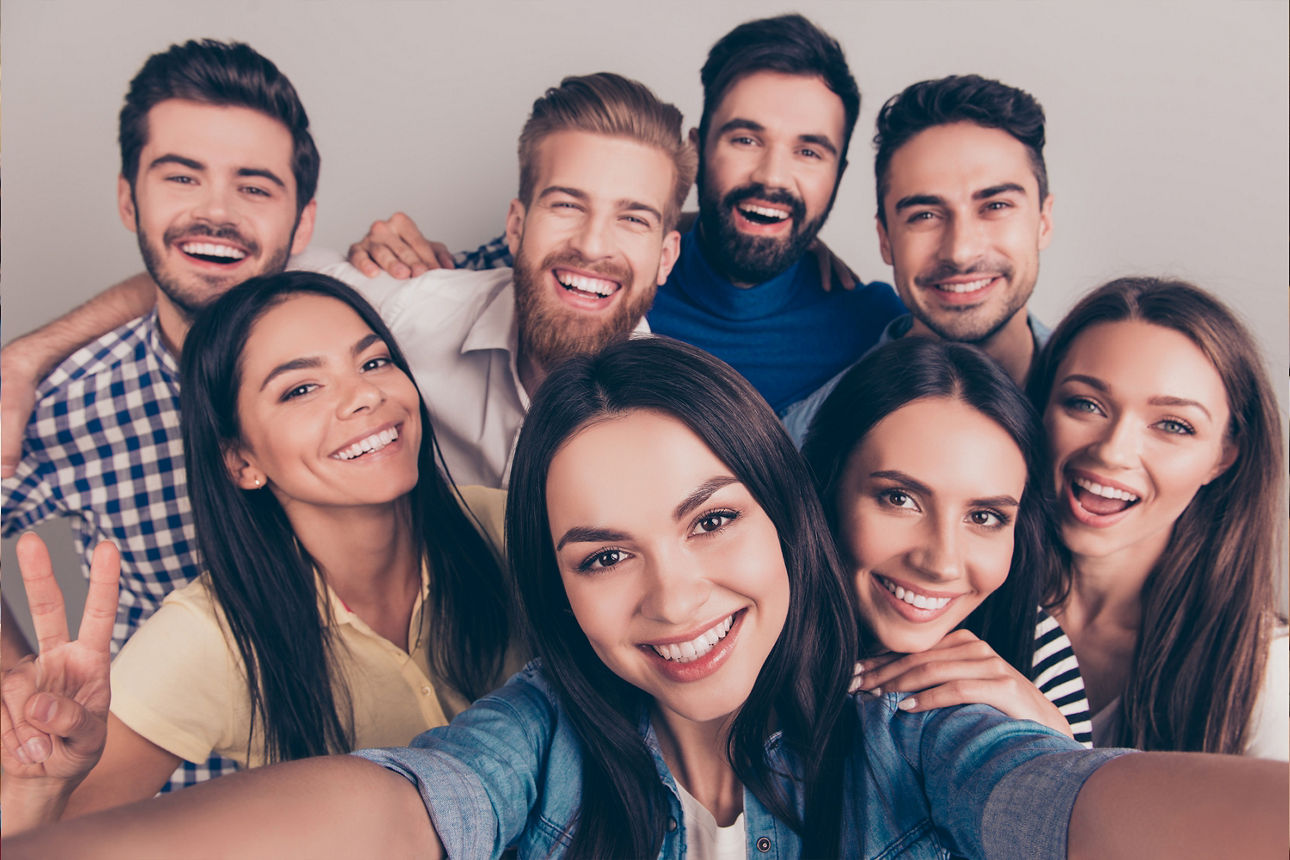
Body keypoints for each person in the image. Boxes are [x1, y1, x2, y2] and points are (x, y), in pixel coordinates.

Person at [5, 337, 1285, 859]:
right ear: (557, 585)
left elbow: (1074, 799)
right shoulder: (539, 738)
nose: (676, 595)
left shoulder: (919, 729)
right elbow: (397, 802)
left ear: (786, 523)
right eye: (603, 552)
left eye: (713, 519)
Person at [0, 71, 694, 491]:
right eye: (566, 205)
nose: (591, 246)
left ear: (666, 257)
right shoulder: (408, 311)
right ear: (516, 225)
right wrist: (28, 355)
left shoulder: (686, 432)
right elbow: (225, 268)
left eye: (632, 219)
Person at [0, 272, 517, 833]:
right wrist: (39, 790)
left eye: (373, 362)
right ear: (241, 461)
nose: (366, 395)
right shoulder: (210, 636)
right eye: (300, 389)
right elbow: (44, 841)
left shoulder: (511, 527)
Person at [0, 38, 320, 790]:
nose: (215, 211)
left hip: (377, 795)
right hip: (162, 809)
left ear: (302, 223)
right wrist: (19, 682)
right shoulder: (69, 403)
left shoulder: (376, 355)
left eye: (254, 187)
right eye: (182, 176)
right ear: (128, 198)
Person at [345, 14, 905, 415]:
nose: (772, 177)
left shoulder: (874, 328)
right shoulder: (602, 275)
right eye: (744, 138)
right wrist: (389, 264)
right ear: (700, 145)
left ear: (839, 172)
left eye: (809, 152)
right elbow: (494, 272)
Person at [1030, 277, 1287, 758]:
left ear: (1223, 456)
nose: (1112, 451)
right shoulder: (960, 602)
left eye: (1173, 425)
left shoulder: (1266, 671)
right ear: (1041, 409)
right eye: (1085, 404)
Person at [801, 338, 1089, 743]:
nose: (941, 563)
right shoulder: (742, 636)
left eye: (984, 517)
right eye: (900, 499)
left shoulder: (1036, 645)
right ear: (827, 489)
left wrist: (1057, 748)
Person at [783, 74, 1056, 444]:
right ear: (885, 239)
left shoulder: (1117, 402)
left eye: (995, 206)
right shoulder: (808, 439)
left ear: (1043, 221)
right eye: (924, 215)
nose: (960, 252)